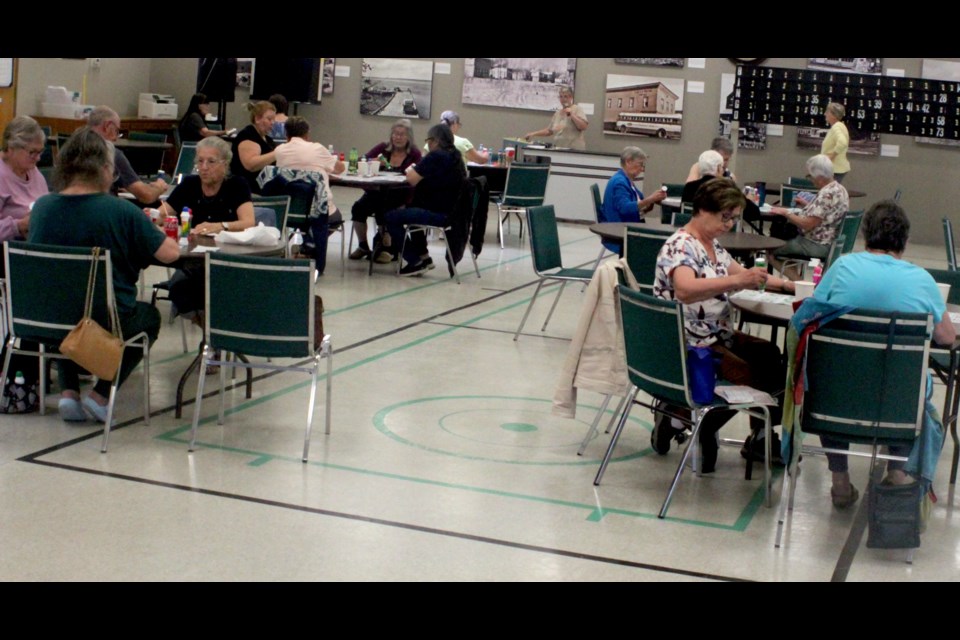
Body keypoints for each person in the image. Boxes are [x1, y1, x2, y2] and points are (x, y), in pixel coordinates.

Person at [27, 127, 179, 423]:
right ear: (106, 169)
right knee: (148, 318)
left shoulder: (43, 208)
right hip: (107, 315)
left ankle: (69, 392)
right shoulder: (121, 211)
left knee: (69, 313)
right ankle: (101, 394)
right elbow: (169, 254)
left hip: (46, 313)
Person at [811, 200, 955, 507]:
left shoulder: (841, 268)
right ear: (905, 240)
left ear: (865, 236)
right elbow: (946, 337)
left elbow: (812, 315)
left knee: (834, 376)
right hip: (897, 402)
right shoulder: (921, 280)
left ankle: (838, 478)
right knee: (914, 389)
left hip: (836, 398)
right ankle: (896, 473)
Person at [653, 178, 794, 472]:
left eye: (733, 218)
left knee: (771, 357)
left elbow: (744, 274)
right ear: (702, 210)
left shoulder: (711, 244)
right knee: (749, 376)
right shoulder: (681, 246)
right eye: (724, 217)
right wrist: (736, 281)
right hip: (691, 343)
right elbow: (685, 289)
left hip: (716, 333)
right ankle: (686, 420)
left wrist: (788, 285)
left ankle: (760, 434)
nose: (729, 224)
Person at [158, 136, 255, 316]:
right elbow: (164, 212)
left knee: (197, 290)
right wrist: (153, 216)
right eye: (200, 161)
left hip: (227, 260)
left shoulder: (236, 185)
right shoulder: (190, 184)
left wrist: (221, 225)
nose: (204, 167)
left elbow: (248, 222)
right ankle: (206, 328)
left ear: (225, 164)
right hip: (194, 260)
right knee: (180, 290)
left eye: (211, 162)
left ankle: (213, 327)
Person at [385, 123, 466, 276]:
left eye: (428, 140)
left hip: (438, 213)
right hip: (453, 212)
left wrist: (411, 170)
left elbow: (412, 179)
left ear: (435, 141)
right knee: (412, 207)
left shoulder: (436, 156)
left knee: (390, 217)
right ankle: (424, 256)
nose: (427, 144)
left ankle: (414, 260)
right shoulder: (456, 155)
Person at [350, 119, 422, 262]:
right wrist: (374, 161)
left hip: (401, 195)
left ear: (409, 137)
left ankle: (386, 248)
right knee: (358, 208)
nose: (398, 137)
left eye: (402, 134)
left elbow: (417, 176)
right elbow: (361, 160)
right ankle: (363, 245)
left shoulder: (414, 153)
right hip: (376, 192)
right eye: (395, 134)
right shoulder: (383, 148)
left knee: (384, 211)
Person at [770, 154, 849, 269]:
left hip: (816, 244)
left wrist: (786, 212)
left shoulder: (826, 194)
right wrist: (809, 205)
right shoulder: (840, 189)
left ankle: (796, 284)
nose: (810, 179)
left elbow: (807, 224)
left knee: (772, 250)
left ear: (820, 178)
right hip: (831, 242)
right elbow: (827, 213)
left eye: (810, 176)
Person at [87, 105, 168, 205]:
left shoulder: (71, 149)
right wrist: (159, 187)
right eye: (117, 131)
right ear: (107, 126)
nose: (116, 138)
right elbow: (146, 196)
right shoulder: (111, 154)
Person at [274, 115, 346, 219]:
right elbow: (340, 168)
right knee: (334, 217)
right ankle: (312, 235)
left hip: (289, 212)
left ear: (286, 134)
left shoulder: (279, 151)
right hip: (319, 212)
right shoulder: (317, 149)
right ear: (307, 134)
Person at [600, 146, 666, 252]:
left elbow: (637, 202)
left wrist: (649, 204)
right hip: (620, 229)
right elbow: (624, 208)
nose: (642, 169)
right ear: (628, 161)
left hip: (627, 224)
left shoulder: (626, 180)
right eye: (640, 164)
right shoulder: (620, 183)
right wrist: (650, 199)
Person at [0, 116, 49, 247]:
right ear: (11, 147)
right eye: (32, 152)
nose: (38, 158)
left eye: (40, 152)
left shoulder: (33, 171)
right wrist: (19, 226)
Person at [231, 101, 277, 194]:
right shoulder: (247, 136)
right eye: (269, 119)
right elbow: (250, 165)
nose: (272, 123)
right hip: (248, 189)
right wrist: (277, 153)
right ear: (257, 119)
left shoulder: (268, 140)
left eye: (273, 119)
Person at [524, 86, 589, 150]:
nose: (563, 99)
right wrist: (533, 134)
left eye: (565, 96)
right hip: (559, 149)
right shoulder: (557, 113)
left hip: (574, 150)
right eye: (561, 97)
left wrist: (572, 114)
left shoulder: (577, 109)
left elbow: (583, 126)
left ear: (571, 97)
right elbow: (549, 131)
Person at [821, 102, 850, 183]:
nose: (825, 114)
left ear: (833, 115)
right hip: (835, 169)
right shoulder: (840, 126)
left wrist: (831, 157)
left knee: (830, 193)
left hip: (835, 169)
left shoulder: (837, 127)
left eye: (827, 112)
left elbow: (842, 143)